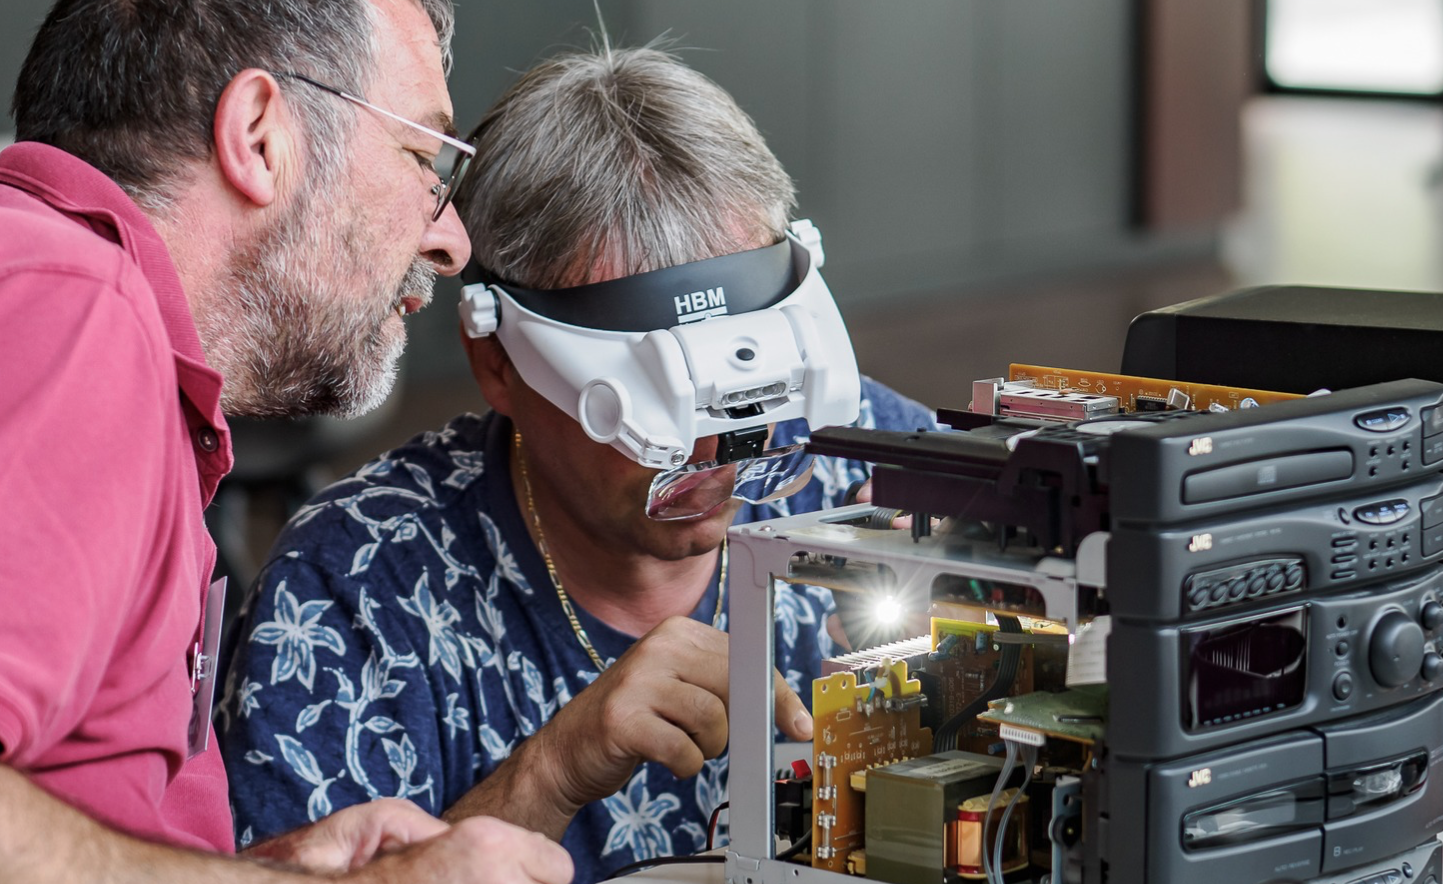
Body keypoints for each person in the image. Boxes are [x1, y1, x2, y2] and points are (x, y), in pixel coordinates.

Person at [218, 46, 937, 883]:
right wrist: (552, 771)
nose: (719, 447)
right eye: (655, 407)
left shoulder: (882, 468)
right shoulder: (355, 590)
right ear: (498, 364)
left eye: (749, 386)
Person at [0, 0, 571, 882]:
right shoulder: (73, 309)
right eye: (424, 158)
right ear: (260, 137)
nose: (451, 241)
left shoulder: (98, 325)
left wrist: (283, 868)